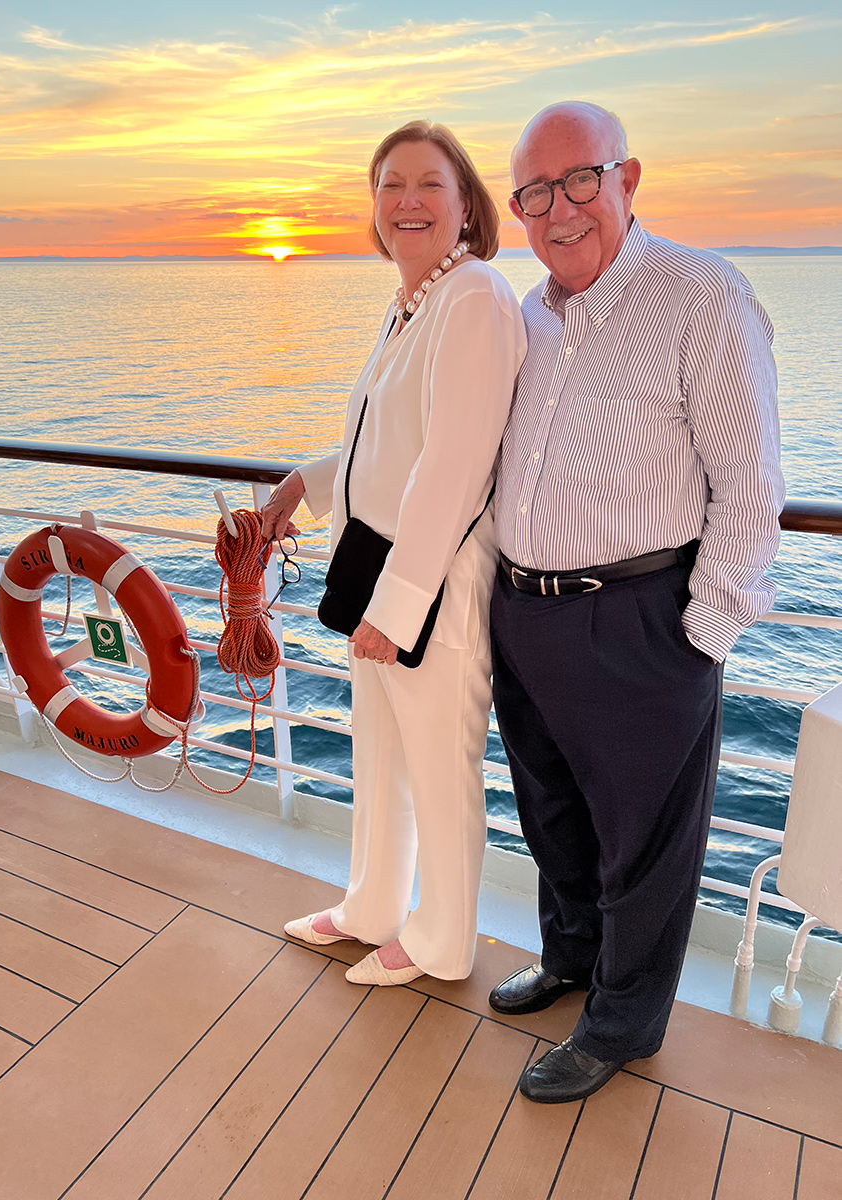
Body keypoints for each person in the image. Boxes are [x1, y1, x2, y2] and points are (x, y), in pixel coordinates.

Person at [488, 101, 784, 1102]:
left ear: (629, 178)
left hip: (640, 621)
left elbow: (750, 481)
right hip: (525, 611)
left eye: (582, 181)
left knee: (644, 842)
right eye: (536, 192)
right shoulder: (528, 316)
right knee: (552, 815)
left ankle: (621, 1023)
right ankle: (572, 961)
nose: (560, 210)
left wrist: (700, 635)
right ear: (518, 207)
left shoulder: (702, 294)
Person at [260, 121, 526, 987]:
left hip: (433, 589)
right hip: (374, 568)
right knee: (379, 757)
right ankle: (374, 906)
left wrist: (395, 605)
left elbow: (455, 464)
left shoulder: (476, 297)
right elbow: (387, 447)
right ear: (374, 208)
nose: (407, 201)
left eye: (429, 185)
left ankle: (444, 941)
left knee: (440, 773)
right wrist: (305, 483)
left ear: (465, 205)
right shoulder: (412, 302)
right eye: (391, 186)